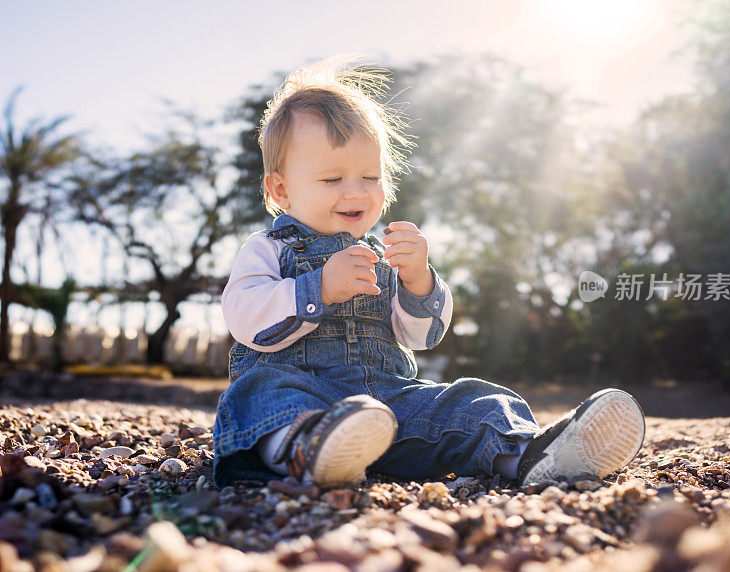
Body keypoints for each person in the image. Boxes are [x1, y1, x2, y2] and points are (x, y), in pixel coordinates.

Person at [212, 57, 646, 489]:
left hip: (391, 408)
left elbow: (422, 336)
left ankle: (526, 455)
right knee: (260, 392)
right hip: (306, 397)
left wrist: (418, 282)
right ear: (281, 189)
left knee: (474, 398)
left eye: (370, 175)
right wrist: (318, 288)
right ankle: (308, 448)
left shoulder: (384, 255)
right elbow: (245, 318)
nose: (356, 191)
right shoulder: (269, 248)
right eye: (332, 179)